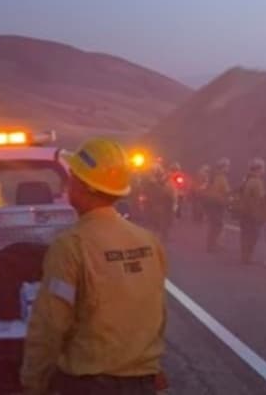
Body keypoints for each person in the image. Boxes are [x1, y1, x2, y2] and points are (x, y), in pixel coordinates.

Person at [21, 138, 166, 395]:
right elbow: (156, 312)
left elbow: (51, 324)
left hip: (89, 385)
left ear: (83, 186)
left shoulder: (71, 246)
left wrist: (34, 382)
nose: (69, 183)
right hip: (143, 383)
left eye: (73, 176)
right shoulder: (148, 241)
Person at [236, 158, 266, 265]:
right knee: (252, 236)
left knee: (245, 235)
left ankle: (244, 256)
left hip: (243, 211)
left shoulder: (246, 179)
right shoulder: (257, 182)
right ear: (258, 169)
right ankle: (247, 257)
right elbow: (260, 200)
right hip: (252, 213)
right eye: (263, 168)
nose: (264, 170)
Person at [204, 158, 231, 252]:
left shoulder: (214, 176)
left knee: (214, 225)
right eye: (227, 166)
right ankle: (212, 246)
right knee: (217, 226)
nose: (228, 168)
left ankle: (211, 245)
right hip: (217, 204)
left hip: (211, 203)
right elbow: (226, 191)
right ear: (223, 167)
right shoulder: (221, 178)